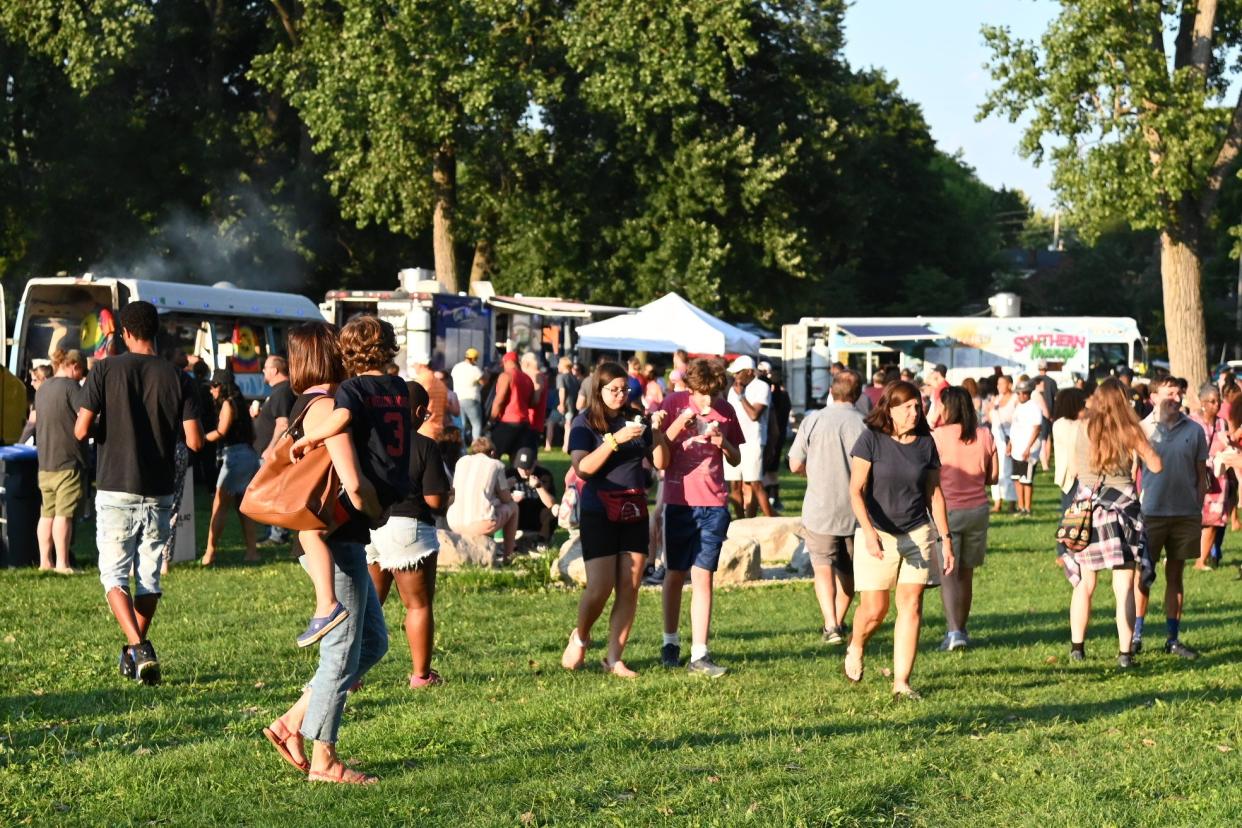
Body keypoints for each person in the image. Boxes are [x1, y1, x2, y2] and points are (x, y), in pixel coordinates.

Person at [263, 318, 390, 786]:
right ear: (330, 354)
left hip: (334, 542)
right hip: (337, 543)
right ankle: (325, 761)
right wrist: (374, 511)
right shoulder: (329, 405)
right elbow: (353, 482)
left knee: (373, 643)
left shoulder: (307, 403)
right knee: (341, 649)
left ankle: (291, 723)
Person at [74, 301, 204, 684]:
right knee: (149, 578)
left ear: (124, 333)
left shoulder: (104, 369)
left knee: (113, 578)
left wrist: (105, 431)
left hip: (115, 485)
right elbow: (194, 440)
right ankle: (134, 651)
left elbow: (81, 430)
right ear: (156, 332)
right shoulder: (180, 378)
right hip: (159, 489)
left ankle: (139, 647)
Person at [289, 317, 413, 647]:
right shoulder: (400, 386)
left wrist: (309, 440)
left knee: (310, 531)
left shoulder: (352, 389)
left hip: (368, 481)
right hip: (396, 480)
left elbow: (341, 419)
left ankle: (326, 605)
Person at [845, 380, 953, 699]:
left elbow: (934, 493)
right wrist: (867, 532)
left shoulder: (925, 444)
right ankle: (856, 644)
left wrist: (945, 538)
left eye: (917, 405)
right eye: (906, 406)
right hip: (876, 532)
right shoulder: (871, 440)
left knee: (911, 604)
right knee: (875, 610)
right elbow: (855, 491)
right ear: (890, 409)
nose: (914, 411)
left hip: (917, 531)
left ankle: (901, 683)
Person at [562, 362, 670, 677]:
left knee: (630, 585)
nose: (620, 395)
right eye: (614, 389)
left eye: (625, 389)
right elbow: (583, 469)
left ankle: (614, 658)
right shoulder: (584, 424)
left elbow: (662, 462)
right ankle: (580, 636)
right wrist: (614, 440)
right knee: (599, 586)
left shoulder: (635, 419)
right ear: (599, 390)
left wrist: (658, 432)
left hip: (634, 509)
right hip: (599, 510)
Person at [1059, 378, 1162, 669]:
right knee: (1124, 586)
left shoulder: (1082, 428)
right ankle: (1124, 654)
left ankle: (1077, 648)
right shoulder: (1130, 431)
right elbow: (1156, 465)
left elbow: (1077, 470)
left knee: (1084, 583)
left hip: (1088, 512)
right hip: (1122, 514)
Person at [658, 358, 743, 677]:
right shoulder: (673, 403)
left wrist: (724, 443)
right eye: (702, 394)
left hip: (714, 503)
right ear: (690, 388)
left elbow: (736, 459)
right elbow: (659, 453)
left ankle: (700, 653)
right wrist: (682, 421)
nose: (708, 401)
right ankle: (670, 642)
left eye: (714, 395)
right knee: (675, 573)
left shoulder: (726, 410)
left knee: (704, 575)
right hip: (680, 501)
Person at [366, 380, 451, 689]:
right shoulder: (424, 445)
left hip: (372, 528)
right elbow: (434, 500)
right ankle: (422, 675)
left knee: (367, 605)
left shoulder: (370, 443)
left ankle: (349, 676)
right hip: (410, 528)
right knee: (418, 604)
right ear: (417, 412)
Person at [789, 369, 866, 645]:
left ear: (831, 391)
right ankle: (839, 621)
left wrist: (813, 472)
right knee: (849, 572)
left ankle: (831, 623)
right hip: (856, 512)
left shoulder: (814, 420)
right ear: (858, 394)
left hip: (819, 507)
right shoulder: (865, 424)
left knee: (822, 567)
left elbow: (795, 463)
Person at [1133, 377, 1207, 660]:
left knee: (1175, 576)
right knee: (1144, 577)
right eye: (1169, 393)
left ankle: (1172, 638)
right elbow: (1131, 474)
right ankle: (1136, 635)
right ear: (1154, 397)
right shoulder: (1142, 430)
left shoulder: (1195, 430)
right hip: (1150, 514)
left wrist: (1196, 506)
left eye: (1179, 393)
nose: (1176, 397)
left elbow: (1201, 475)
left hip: (1184, 515)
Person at [931, 386, 997, 651]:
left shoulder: (937, 437)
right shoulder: (984, 434)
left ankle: (953, 630)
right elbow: (992, 477)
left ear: (947, 408)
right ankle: (962, 627)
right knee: (966, 574)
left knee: (948, 574)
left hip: (947, 511)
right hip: (978, 509)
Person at [200, 370, 261, 565]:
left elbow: (221, 431)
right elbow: (253, 434)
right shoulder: (241, 403)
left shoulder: (227, 403)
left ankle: (210, 553)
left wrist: (199, 439)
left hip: (235, 457)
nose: (211, 390)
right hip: (248, 455)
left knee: (219, 505)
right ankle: (252, 551)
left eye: (213, 386)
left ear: (221, 386)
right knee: (243, 507)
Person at [35, 349, 87, 573]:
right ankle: (62, 563)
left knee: (46, 514)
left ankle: (44, 562)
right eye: (81, 372)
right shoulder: (71, 387)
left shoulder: (43, 387)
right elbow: (84, 417)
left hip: (45, 462)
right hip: (68, 461)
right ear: (74, 366)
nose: (81, 377)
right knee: (63, 515)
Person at [446, 437, 519, 563]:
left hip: (454, 522)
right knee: (513, 507)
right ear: (492, 453)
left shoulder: (461, 462)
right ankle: (508, 556)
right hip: (480, 523)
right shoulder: (496, 465)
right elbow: (506, 498)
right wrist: (508, 484)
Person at [253, 355, 296, 546]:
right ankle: (275, 532)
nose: (263, 371)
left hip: (272, 454)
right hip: (267, 452)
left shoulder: (281, 392)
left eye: (265, 368)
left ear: (275, 370)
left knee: (274, 493)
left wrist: (271, 449)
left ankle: (277, 535)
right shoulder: (278, 391)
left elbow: (282, 423)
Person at [724, 355, 774, 518]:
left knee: (754, 483)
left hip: (753, 442)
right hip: (735, 442)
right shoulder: (734, 389)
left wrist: (741, 396)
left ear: (749, 372)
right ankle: (741, 522)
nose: (735, 376)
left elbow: (754, 415)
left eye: (738, 373)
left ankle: (770, 520)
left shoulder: (761, 387)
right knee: (735, 485)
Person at [1192, 383, 1234, 569]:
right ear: (1202, 403)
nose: (1216, 405)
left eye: (1218, 401)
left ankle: (1202, 560)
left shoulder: (1221, 422)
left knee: (1214, 519)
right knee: (1193, 519)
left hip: (1218, 476)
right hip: (1197, 474)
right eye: (1212, 401)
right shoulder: (1192, 422)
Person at [1052, 388, 1090, 565]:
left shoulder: (1073, 424)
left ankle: (1076, 547)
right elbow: (1074, 445)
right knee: (1068, 513)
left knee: (1078, 513)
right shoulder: (1063, 424)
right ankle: (1063, 551)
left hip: (1079, 474)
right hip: (1071, 475)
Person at [507, 446, 558, 547]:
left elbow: (552, 504)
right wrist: (510, 497)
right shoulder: (509, 474)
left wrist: (539, 486)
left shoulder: (543, 475)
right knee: (506, 507)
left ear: (535, 463)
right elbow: (498, 499)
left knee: (553, 510)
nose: (524, 472)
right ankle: (510, 542)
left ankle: (542, 541)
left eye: (528, 468)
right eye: (521, 468)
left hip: (537, 516)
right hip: (517, 515)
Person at [489, 351, 533, 464]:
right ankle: (517, 480)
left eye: (503, 365)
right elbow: (532, 402)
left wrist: (491, 419)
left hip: (508, 422)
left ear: (507, 362)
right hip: (524, 423)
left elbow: (499, 400)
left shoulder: (506, 375)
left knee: (492, 455)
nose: (503, 367)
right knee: (517, 461)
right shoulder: (528, 379)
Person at [1009, 380, 1043, 516]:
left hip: (1028, 449)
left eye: (1023, 393)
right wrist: (1010, 444)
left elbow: (1037, 428)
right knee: (1017, 479)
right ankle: (1020, 506)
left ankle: (1027, 508)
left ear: (1028, 393)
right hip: (1016, 449)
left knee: (1026, 480)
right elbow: (1014, 427)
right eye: (1018, 393)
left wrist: (1028, 447)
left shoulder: (1033, 407)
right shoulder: (1018, 407)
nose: (1020, 395)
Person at [985, 375, 1018, 512]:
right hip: (996, 438)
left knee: (1007, 471)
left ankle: (1011, 502)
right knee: (995, 469)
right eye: (998, 384)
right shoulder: (996, 399)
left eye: (1002, 383)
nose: (999, 386)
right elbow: (990, 419)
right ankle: (997, 502)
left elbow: (1017, 419)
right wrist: (989, 408)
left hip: (1009, 438)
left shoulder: (1015, 399)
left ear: (1010, 384)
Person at [763, 368, 792, 511]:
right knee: (773, 470)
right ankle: (775, 498)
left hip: (771, 437)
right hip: (780, 436)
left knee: (767, 470)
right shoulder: (785, 396)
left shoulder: (773, 398)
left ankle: (770, 497)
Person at [451, 347, 485, 443]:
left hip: (457, 399)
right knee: (476, 424)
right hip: (471, 399)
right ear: (474, 358)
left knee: (461, 425)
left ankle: (461, 445)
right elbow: (483, 382)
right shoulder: (475, 369)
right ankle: (476, 445)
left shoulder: (456, 367)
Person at [412, 361, 449, 442]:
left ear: (421, 364)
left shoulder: (420, 380)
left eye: (414, 364)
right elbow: (445, 409)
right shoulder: (442, 385)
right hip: (438, 431)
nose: (413, 367)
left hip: (423, 431)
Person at [521, 351, 549, 452]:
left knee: (528, 452)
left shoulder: (536, 376)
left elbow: (536, 400)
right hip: (534, 420)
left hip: (532, 420)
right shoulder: (540, 376)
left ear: (526, 364)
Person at [1036, 360, 1059, 472]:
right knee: (1047, 438)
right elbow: (1056, 398)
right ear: (1047, 368)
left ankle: (1042, 461)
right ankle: (1046, 462)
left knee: (1040, 438)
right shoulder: (1052, 382)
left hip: (1036, 413)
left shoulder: (1033, 381)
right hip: (1049, 414)